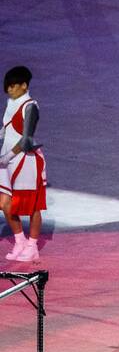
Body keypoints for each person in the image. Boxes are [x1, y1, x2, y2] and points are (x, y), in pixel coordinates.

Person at [1, 67, 47, 264]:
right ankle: (20, 240)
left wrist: (7, 156)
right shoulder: (11, 103)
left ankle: (32, 246)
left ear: (24, 86)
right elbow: (6, 130)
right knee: (4, 203)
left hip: (25, 160)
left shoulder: (30, 106)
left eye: (13, 86)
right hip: (6, 160)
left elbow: (27, 139)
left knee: (33, 206)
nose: (9, 90)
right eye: (7, 87)